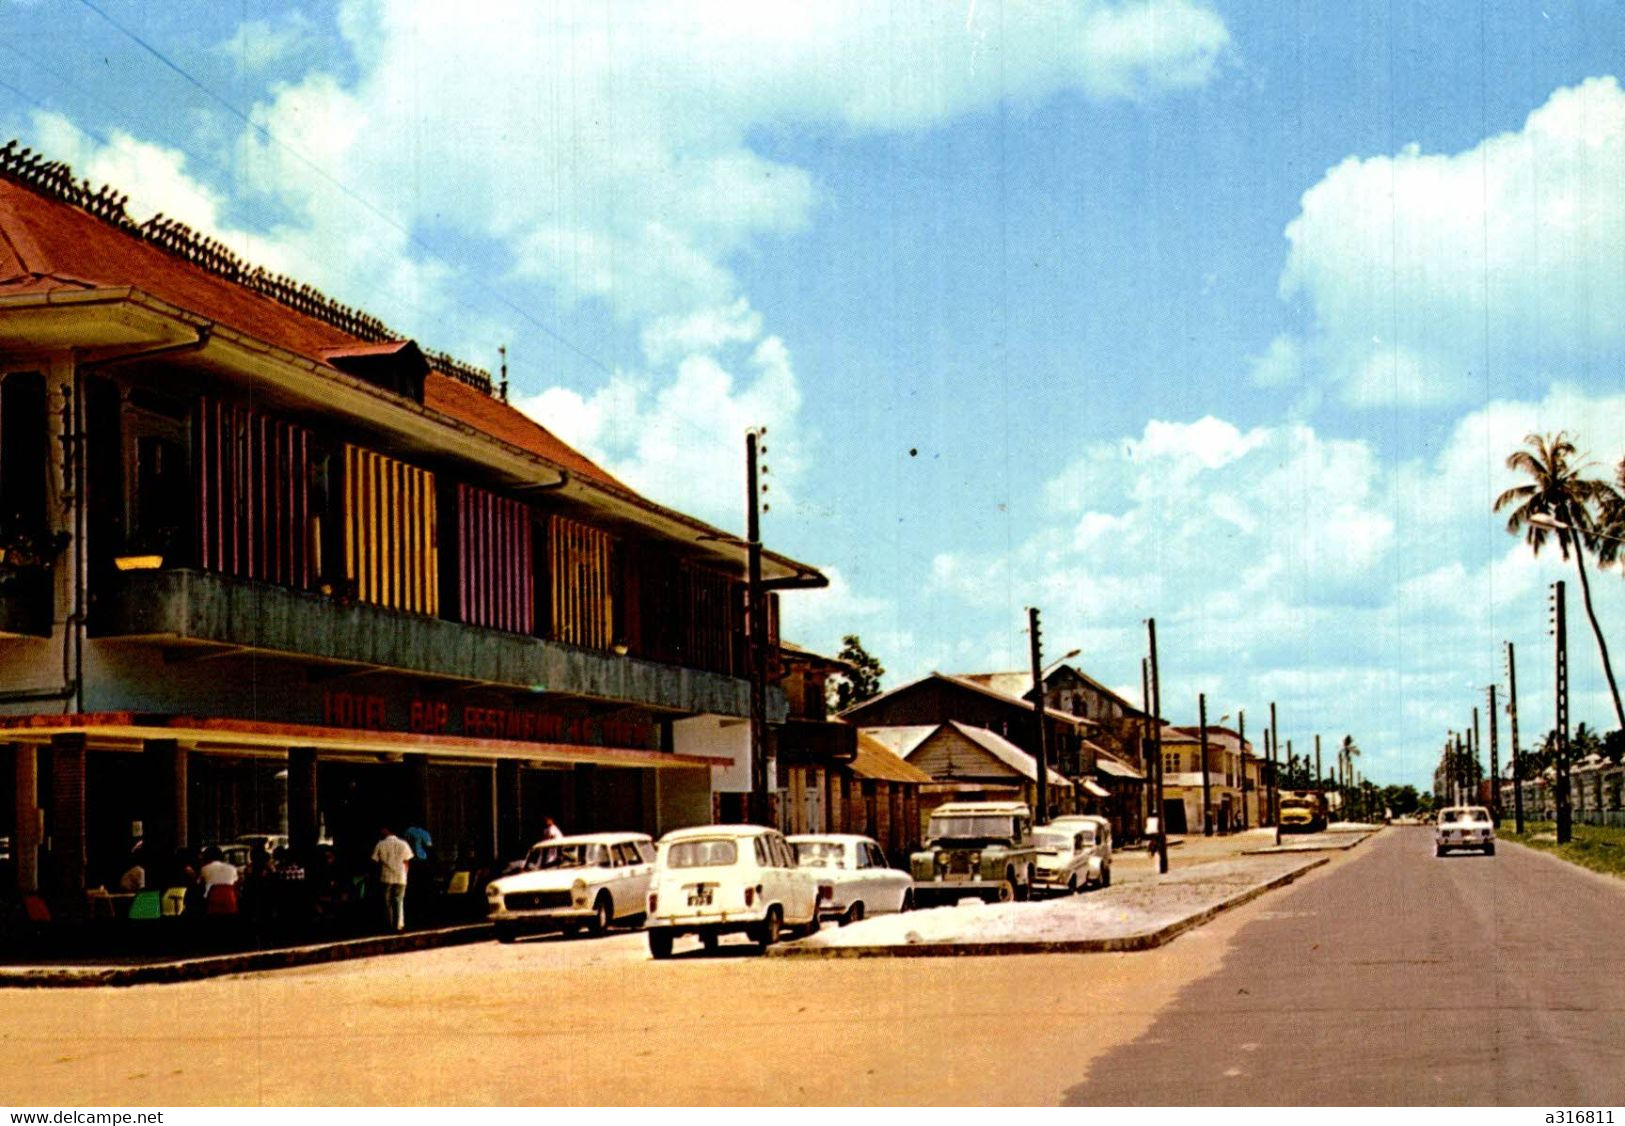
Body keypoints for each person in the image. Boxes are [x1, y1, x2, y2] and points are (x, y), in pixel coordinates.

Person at [371, 826, 413, 932]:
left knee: (387, 902)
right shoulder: (403, 844)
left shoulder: (380, 844)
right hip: (401, 876)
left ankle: (388, 925)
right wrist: (405, 874)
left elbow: (375, 861)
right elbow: (406, 861)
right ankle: (398, 925)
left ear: (386, 831)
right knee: (399, 901)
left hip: (386, 876)